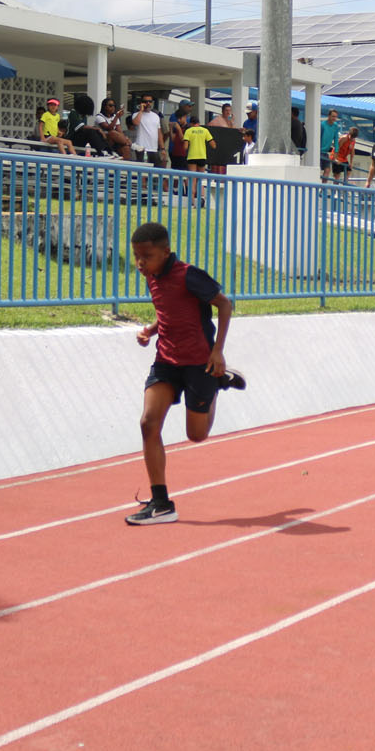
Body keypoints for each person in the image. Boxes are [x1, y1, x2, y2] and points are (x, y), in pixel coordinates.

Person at [125, 222, 247, 526]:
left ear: (166, 252)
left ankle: (218, 381)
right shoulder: (152, 276)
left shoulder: (189, 275)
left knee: (196, 435)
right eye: (137, 256)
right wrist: (151, 330)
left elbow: (225, 305)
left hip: (199, 362)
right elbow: (170, 312)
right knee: (148, 422)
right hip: (167, 360)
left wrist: (217, 352)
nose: (140, 263)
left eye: (147, 256)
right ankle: (161, 503)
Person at [128, 95, 165, 164]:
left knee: (156, 168)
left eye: (150, 101)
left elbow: (159, 133)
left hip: (154, 149)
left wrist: (162, 148)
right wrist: (141, 110)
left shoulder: (156, 116)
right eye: (145, 101)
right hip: (141, 148)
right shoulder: (136, 114)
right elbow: (136, 122)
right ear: (141, 103)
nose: (148, 103)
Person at [320, 108, 341, 182]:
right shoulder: (322, 125)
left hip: (325, 152)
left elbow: (336, 139)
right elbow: (318, 138)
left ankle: (323, 188)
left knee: (327, 170)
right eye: (333, 116)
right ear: (328, 116)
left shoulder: (335, 126)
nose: (334, 118)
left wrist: (336, 152)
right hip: (319, 152)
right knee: (317, 170)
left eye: (335, 117)